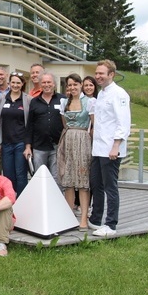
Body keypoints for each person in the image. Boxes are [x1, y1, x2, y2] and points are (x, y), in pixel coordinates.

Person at [89, 60, 131, 237]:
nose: (98, 76)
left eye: (102, 73)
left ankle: (111, 225)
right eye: (97, 73)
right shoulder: (102, 94)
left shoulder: (119, 94)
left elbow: (123, 123)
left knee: (110, 187)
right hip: (98, 149)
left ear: (111, 74)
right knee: (95, 184)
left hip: (111, 150)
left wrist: (116, 146)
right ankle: (96, 219)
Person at [58, 73, 95, 231]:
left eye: (75, 84)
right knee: (68, 180)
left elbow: (94, 125)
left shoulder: (89, 102)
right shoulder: (64, 102)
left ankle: (84, 218)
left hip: (83, 140)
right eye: (69, 85)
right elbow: (65, 124)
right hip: (68, 139)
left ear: (81, 85)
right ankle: (68, 217)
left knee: (82, 179)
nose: (72, 87)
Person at [23, 72, 65, 185]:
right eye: (44, 82)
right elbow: (30, 125)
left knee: (57, 178)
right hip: (39, 147)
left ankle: (56, 202)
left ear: (54, 84)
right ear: (40, 84)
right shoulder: (34, 101)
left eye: (49, 82)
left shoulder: (62, 99)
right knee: (40, 178)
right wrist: (28, 147)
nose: (46, 85)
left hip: (58, 146)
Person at [0, 72, 31, 197]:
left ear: (22, 84)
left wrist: (28, 144)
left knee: (21, 174)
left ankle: (21, 200)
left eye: (18, 82)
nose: (15, 85)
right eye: (13, 82)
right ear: (9, 83)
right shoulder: (2, 98)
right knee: (8, 174)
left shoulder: (27, 99)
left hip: (21, 142)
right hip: (6, 143)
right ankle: (10, 200)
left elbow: (30, 123)